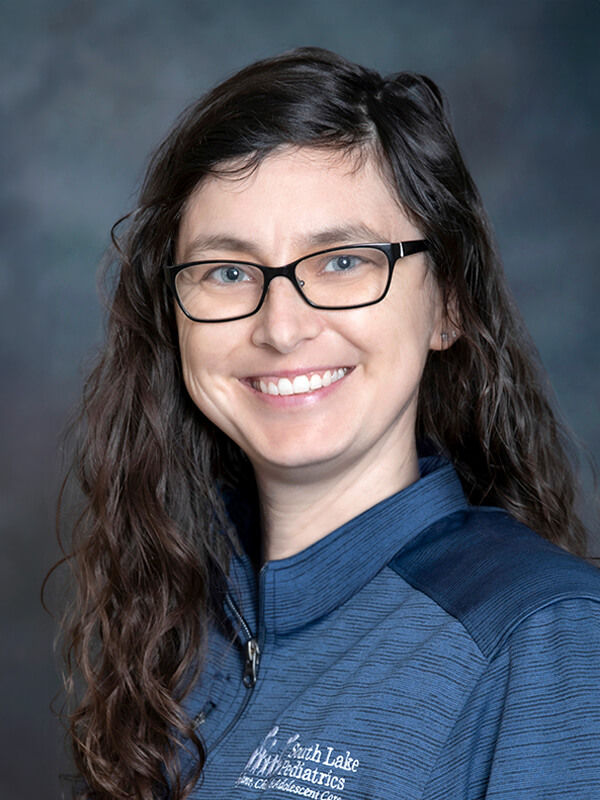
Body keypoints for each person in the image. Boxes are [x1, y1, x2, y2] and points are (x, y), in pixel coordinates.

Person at [58, 48, 600, 800]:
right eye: (228, 271)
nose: (281, 326)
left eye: (342, 261)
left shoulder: (549, 641)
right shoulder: (176, 629)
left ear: (448, 304)